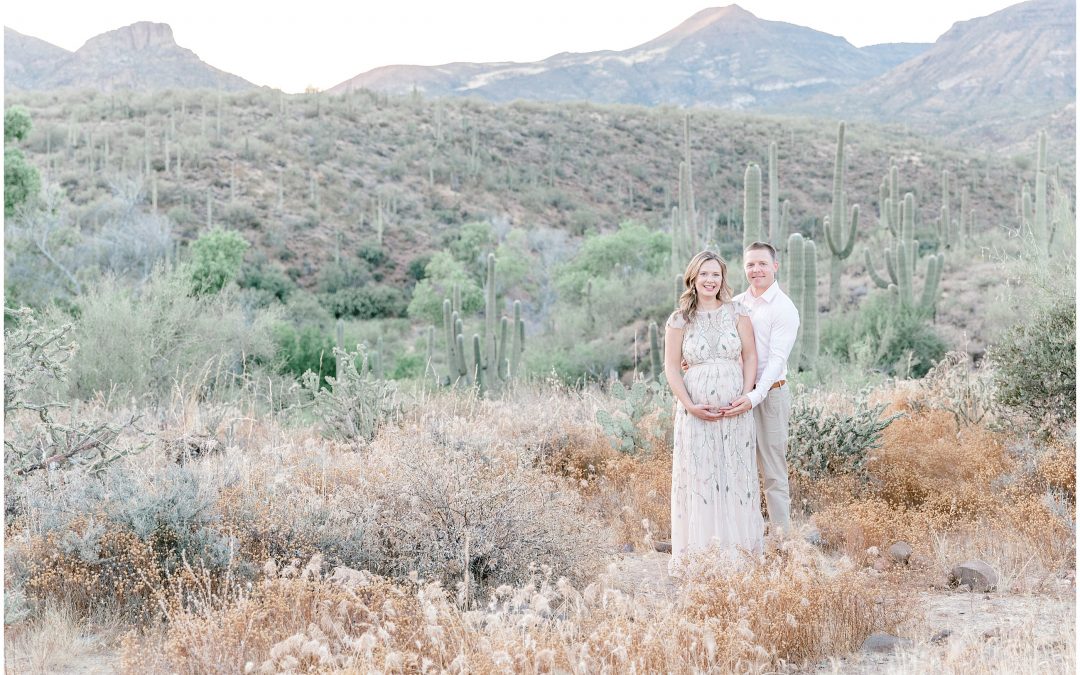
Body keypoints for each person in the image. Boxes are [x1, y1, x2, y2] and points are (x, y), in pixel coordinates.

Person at [664, 251, 763, 575]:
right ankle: (702, 557)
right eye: (704, 274)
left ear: (723, 279)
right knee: (701, 478)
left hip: (734, 410)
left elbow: (750, 356)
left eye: (716, 274)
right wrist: (689, 405)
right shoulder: (680, 319)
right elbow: (670, 368)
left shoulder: (738, 312)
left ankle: (738, 556)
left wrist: (746, 395)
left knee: (735, 477)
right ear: (693, 277)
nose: (710, 280)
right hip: (695, 413)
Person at [722, 241, 800, 538]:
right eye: (751, 264)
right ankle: (744, 534)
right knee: (737, 467)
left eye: (762, 264)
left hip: (770, 395)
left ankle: (783, 541)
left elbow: (776, 361)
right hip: (737, 392)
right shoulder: (737, 304)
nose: (756, 270)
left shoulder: (784, 309)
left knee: (772, 469)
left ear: (775, 266)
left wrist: (755, 395)